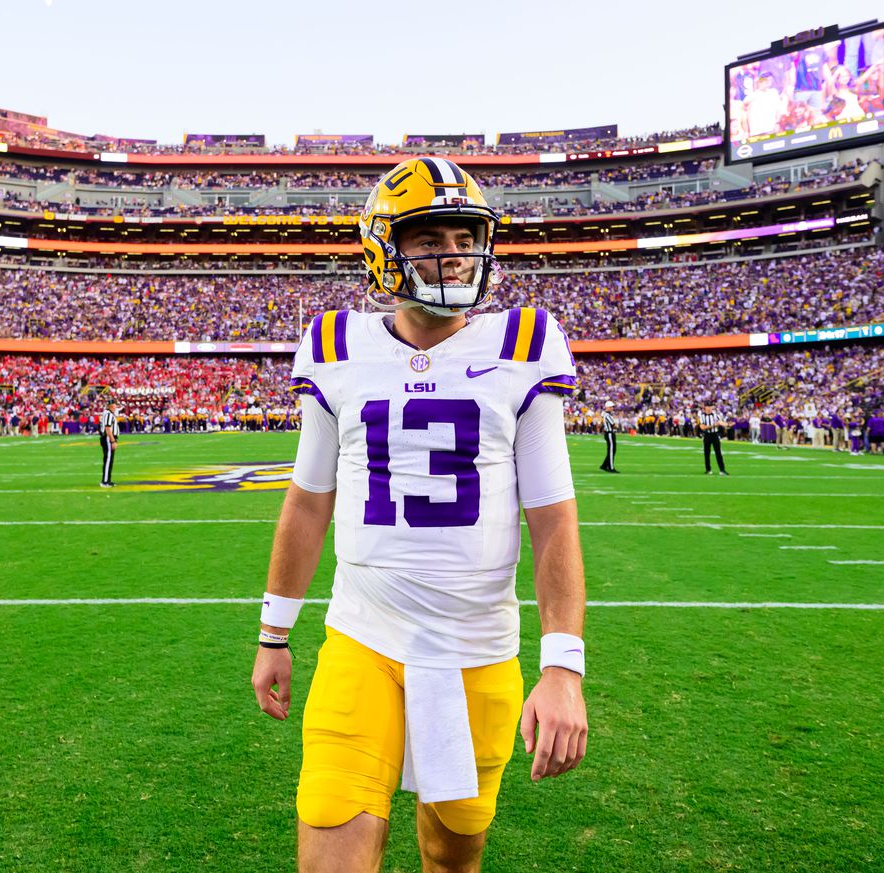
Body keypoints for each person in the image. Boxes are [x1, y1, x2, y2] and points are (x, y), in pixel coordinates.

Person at [251, 158, 587, 873]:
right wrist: (274, 631)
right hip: (360, 639)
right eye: (429, 237)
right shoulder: (336, 344)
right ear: (383, 247)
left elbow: (554, 519)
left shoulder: (524, 344)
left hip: (474, 651)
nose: (453, 253)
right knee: (330, 839)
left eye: (463, 236)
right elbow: (309, 501)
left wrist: (563, 667)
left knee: (451, 858)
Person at [698, 402, 728, 475]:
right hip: (707, 435)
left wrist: (727, 424)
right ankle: (708, 469)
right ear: (705, 408)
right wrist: (713, 426)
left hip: (715, 435)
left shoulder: (715, 415)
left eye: (711, 406)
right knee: (707, 453)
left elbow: (721, 422)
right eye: (708, 406)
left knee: (718, 452)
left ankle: (722, 470)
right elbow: (702, 427)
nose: (710, 408)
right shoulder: (702, 416)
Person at [99, 403, 120, 487]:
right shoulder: (108, 414)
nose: (116, 407)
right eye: (115, 405)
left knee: (109, 460)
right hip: (108, 438)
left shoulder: (108, 414)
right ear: (111, 406)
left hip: (108, 438)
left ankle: (108, 479)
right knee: (108, 460)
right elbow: (108, 429)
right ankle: (105, 481)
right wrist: (113, 441)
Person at [600, 401, 619, 473]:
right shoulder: (607, 415)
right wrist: (616, 426)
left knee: (612, 450)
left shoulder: (605, 414)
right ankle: (611, 467)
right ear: (607, 407)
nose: (612, 408)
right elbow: (614, 425)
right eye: (611, 407)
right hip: (610, 433)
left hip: (609, 433)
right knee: (611, 450)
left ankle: (604, 465)